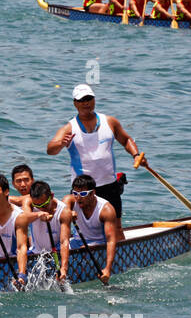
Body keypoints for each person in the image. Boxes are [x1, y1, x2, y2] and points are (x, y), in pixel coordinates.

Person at [46, 83, 143, 221]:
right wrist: (61, 144)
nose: (86, 103)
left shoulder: (110, 122)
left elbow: (126, 140)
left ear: (94, 100)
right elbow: (50, 149)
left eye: (89, 99)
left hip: (109, 185)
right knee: (86, 229)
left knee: (116, 226)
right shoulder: (69, 128)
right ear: (75, 103)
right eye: (82, 100)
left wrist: (136, 155)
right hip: (83, 190)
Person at [59, 174, 119, 285]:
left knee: (81, 251)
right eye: (75, 193)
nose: (78, 197)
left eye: (83, 194)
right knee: (59, 249)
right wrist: (68, 212)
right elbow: (62, 206)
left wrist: (107, 268)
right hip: (77, 241)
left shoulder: (106, 209)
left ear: (92, 193)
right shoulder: (70, 200)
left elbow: (111, 240)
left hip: (99, 243)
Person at [15, 180, 67, 286]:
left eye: (44, 204)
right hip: (36, 252)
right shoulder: (29, 203)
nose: (40, 207)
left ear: (51, 196)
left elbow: (64, 242)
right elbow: (22, 219)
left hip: (56, 252)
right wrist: (38, 215)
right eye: (37, 205)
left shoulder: (64, 211)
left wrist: (63, 268)